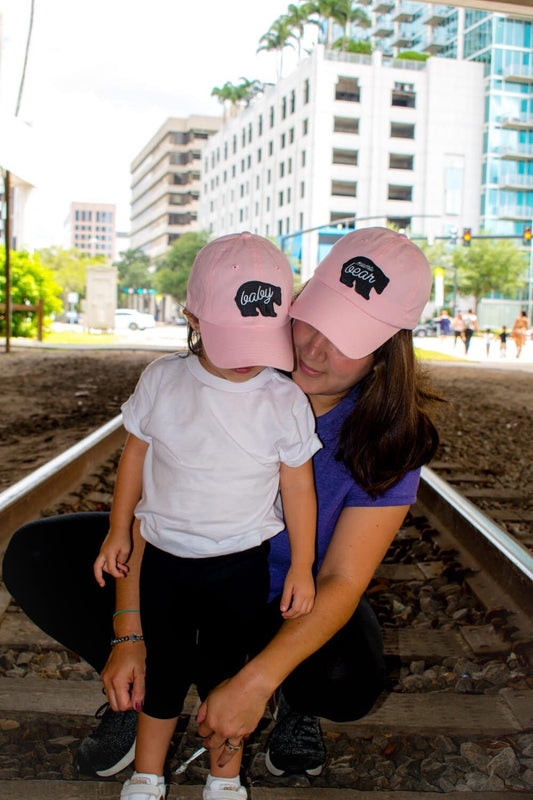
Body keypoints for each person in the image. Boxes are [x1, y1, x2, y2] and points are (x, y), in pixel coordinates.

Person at [2, 228, 440, 789]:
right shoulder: (231, 359)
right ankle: (137, 692)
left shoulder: (392, 440)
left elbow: (342, 578)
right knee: (35, 554)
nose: (312, 348)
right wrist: (128, 634)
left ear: (387, 351)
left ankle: (286, 699)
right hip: (174, 563)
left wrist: (258, 680)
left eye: (348, 337)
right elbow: (151, 511)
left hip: (279, 598)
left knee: (347, 674)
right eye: (313, 317)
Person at [95, 232, 321, 800]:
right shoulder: (162, 380)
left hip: (240, 563)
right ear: (193, 316)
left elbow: (298, 485)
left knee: (227, 673)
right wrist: (118, 530)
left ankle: (224, 779)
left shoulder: (283, 398)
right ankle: (147, 775)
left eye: (261, 339)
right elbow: (135, 455)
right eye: (233, 339)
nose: (249, 357)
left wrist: (303, 566)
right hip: (165, 561)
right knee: (164, 672)